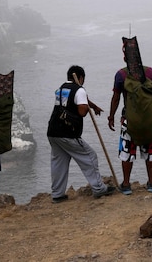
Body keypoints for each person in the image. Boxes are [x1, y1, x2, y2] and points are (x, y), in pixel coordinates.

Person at [47, 65, 116, 202]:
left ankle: (57, 194)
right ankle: (99, 188)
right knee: (90, 156)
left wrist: (93, 106)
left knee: (58, 163)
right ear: (80, 78)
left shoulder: (61, 89)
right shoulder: (79, 90)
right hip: (68, 133)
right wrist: (86, 106)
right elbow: (82, 111)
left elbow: (77, 100)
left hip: (53, 132)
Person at [108, 49, 152, 195]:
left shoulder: (121, 75)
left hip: (129, 121)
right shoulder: (151, 73)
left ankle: (126, 184)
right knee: (150, 152)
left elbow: (116, 98)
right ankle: (151, 183)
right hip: (149, 120)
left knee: (127, 152)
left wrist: (111, 116)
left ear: (125, 58)